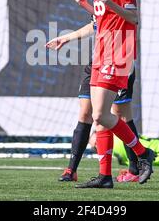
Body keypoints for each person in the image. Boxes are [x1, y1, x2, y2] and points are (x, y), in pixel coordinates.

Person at [47, 0, 155, 189]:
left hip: (118, 52)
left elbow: (133, 16)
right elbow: (101, 21)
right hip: (101, 51)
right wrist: (71, 33)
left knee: (101, 114)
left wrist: (108, 3)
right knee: (98, 116)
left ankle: (142, 154)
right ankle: (105, 176)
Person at [47, 22, 140, 183]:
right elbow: (96, 23)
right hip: (97, 61)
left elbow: (132, 18)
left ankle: (135, 168)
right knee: (85, 113)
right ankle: (71, 170)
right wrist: (67, 38)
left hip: (118, 60)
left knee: (118, 114)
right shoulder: (100, 0)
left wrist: (107, 2)